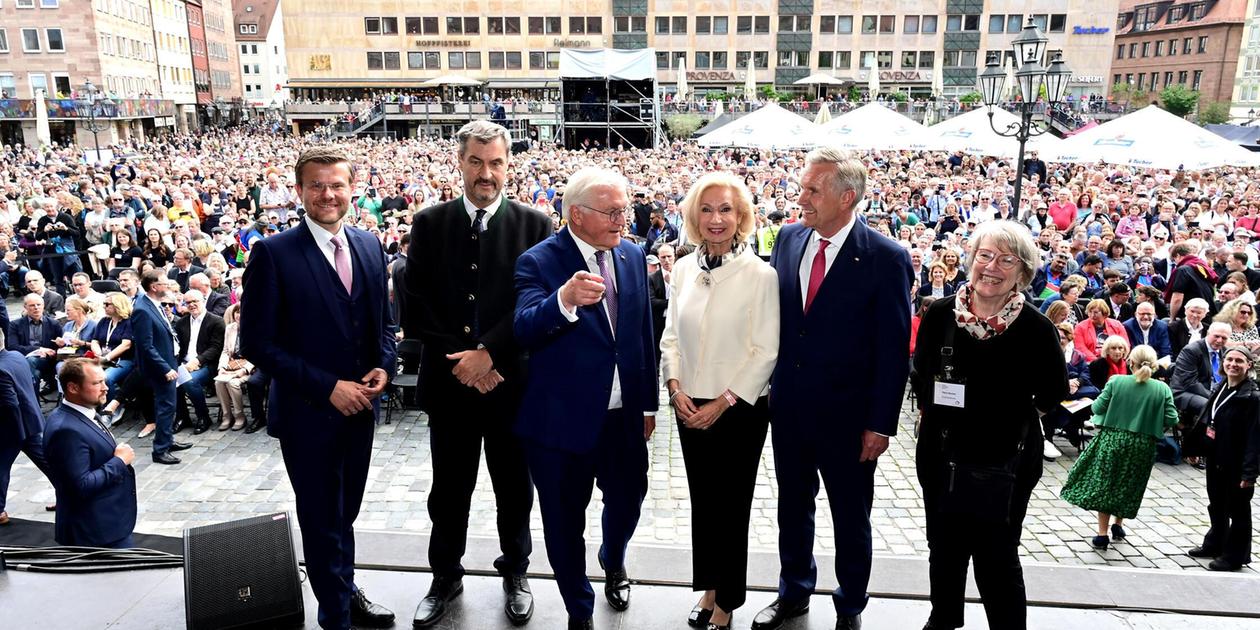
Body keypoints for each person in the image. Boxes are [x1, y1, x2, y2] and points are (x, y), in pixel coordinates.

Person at [240, 145, 397, 630]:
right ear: (299, 190)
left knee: (344, 513)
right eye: (317, 186)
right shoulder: (273, 253)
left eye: (337, 185)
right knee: (321, 518)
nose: (328, 194)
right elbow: (256, 343)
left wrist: (384, 365)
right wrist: (329, 387)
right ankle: (335, 617)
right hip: (307, 414)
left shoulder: (369, 245)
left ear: (353, 189)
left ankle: (344, 591)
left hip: (360, 410)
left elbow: (384, 323)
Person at [754, 148, 911, 630]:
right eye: (802, 187)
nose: (800, 197)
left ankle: (850, 604)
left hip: (849, 420)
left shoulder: (887, 257)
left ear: (847, 198)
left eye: (812, 190)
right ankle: (793, 592)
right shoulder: (788, 238)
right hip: (790, 410)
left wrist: (880, 424)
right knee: (791, 508)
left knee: (850, 516)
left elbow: (893, 350)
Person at [405, 121, 551, 628]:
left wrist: (489, 355)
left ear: (508, 166)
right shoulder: (429, 223)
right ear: (460, 163)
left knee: (515, 490)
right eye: (476, 162)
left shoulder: (535, 224)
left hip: (511, 386)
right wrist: (466, 362)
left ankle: (517, 572)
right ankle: (445, 575)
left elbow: (535, 306)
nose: (486, 173)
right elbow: (416, 305)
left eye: (495, 163)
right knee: (448, 491)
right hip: (450, 387)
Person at [512, 167, 657, 630]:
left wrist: (647, 404)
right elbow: (523, 327)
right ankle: (580, 608)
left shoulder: (631, 254)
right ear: (576, 214)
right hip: (559, 424)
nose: (622, 220)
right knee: (563, 523)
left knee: (629, 501)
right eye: (612, 212)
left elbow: (642, 334)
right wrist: (565, 300)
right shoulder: (538, 261)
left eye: (625, 210)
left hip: (622, 417)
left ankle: (613, 559)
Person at [659, 173, 779, 630]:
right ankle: (708, 589)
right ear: (694, 216)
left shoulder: (760, 275)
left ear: (741, 216)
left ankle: (727, 602)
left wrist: (723, 402)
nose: (716, 219)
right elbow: (671, 336)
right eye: (706, 210)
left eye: (726, 209)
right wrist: (675, 389)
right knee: (704, 504)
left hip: (739, 409)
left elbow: (766, 350)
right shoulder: (683, 269)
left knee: (731, 508)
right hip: (689, 404)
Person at [1062, 344, 1179, 549]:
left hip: (1113, 439)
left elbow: (1097, 407)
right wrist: (1152, 420)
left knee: (1107, 484)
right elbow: (1172, 418)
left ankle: (1102, 534)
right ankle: (1118, 524)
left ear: (1130, 362)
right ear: (1154, 365)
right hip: (1143, 443)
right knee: (1129, 483)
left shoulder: (1116, 381)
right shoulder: (1162, 389)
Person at [41, 358, 137, 548]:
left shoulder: (85, 411)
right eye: (97, 383)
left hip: (107, 525)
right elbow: (80, 486)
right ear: (73, 388)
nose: (105, 388)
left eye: (104, 381)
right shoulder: (66, 430)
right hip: (94, 534)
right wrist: (119, 461)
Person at [1187, 346, 1260, 571]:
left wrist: (1249, 473)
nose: (1233, 364)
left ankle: (1235, 556)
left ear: (1249, 365)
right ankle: (1215, 543)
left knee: (1238, 510)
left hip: (1237, 462)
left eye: (1239, 361)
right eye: (1229, 360)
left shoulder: (1252, 398)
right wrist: (1196, 447)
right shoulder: (1221, 387)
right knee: (1217, 503)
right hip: (1216, 456)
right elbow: (1208, 418)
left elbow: (1255, 438)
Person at [129, 268, 192, 464]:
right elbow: (145, 346)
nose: (168, 286)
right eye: (165, 283)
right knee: (166, 406)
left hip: (169, 360)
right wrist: (165, 368)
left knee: (169, 405)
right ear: (154, 287)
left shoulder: (154, 304)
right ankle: (160, 449)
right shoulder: (142, 310)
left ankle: (167, 439)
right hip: (161, 367)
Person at [0, 329, 52, 526]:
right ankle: (72, 495)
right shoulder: (16, 356)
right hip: (31, 421)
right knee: (49, 462)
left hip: (12, 429)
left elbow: (9, 404)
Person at [174, 290, 225, 435]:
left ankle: (203, 416)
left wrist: (197, 361)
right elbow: (177, 347)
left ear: (203, 301)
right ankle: (182, 417)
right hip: (184, 363)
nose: (191, 305)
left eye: (195, 301)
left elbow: (216, 348)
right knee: (171, 378)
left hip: (207, 364)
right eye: (188, 302)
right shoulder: (181, 322)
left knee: (189, 381)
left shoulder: (216, 321)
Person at [1172, 322, 1232, 420]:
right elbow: (1190, 383)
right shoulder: (1191, 351)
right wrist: (1215, 397)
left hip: (1213, 392)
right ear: (1208, 333)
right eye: (1216, 336)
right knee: (1213, 408)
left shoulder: (1226, 352)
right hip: (1186, 392)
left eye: (1224, 338)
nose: (1219, 340)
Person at [8, 293, 60, 393]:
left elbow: (58, 347)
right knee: (34, 373)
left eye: (38, 304)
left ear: (43, 305)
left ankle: (29, 398)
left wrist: (54, 349)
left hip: (47, 360)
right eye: (32, 305)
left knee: (31, 362)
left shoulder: (54, 324)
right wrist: (38, 349)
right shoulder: (15, 325)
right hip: (23, 359)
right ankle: (34, 399)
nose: (36, 308)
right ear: (25, 307)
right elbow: (12, 347)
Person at [213, 304, 252, 431]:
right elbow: (225, 351)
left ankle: (240, 416)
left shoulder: (255, 328)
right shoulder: (230, 328)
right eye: (237, 312)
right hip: (232, 365)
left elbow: (258, 354)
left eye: (242, 312)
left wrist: (244, 370)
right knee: (219, 382)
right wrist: (222, 367)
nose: (239, 315)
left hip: (247, 366)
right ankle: (227, 416)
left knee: (233, 383)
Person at [1072, 299, 1126, 363]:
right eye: (1090, 312)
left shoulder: (1117, 325)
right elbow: (1080, 347)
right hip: (1091, 362)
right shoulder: (1080, 327)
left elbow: (1125, 344)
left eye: (1096, 312)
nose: (1092, 315)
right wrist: (1097, 362)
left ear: (1104, 313)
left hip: (1115, 359)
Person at [648, 242, 674, 367]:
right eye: (663, 257)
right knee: (656, 355)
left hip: (677, 320)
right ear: (659, 258)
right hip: (659, 322)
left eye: (669, 256)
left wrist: (672, 282)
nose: (667, 260)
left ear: (674, 256)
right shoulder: (652, 278)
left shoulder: (681, 274)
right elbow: (652, 301)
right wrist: (671, 302)